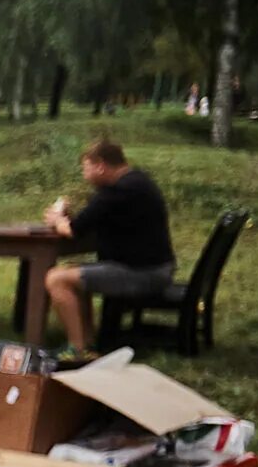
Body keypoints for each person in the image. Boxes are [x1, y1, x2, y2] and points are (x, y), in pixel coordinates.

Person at [42, 137, 175, 355]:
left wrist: (57, 220)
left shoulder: (118, 191)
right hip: (153, 268)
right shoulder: (137, 182)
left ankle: (76, 350)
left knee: (56, 279)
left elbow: (74, 230)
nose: (85, 176)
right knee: (72, 272)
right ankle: (88, 341)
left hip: (143, 274)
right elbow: (88, 221)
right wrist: (67, 221)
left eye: (86, 168)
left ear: (101, 166)